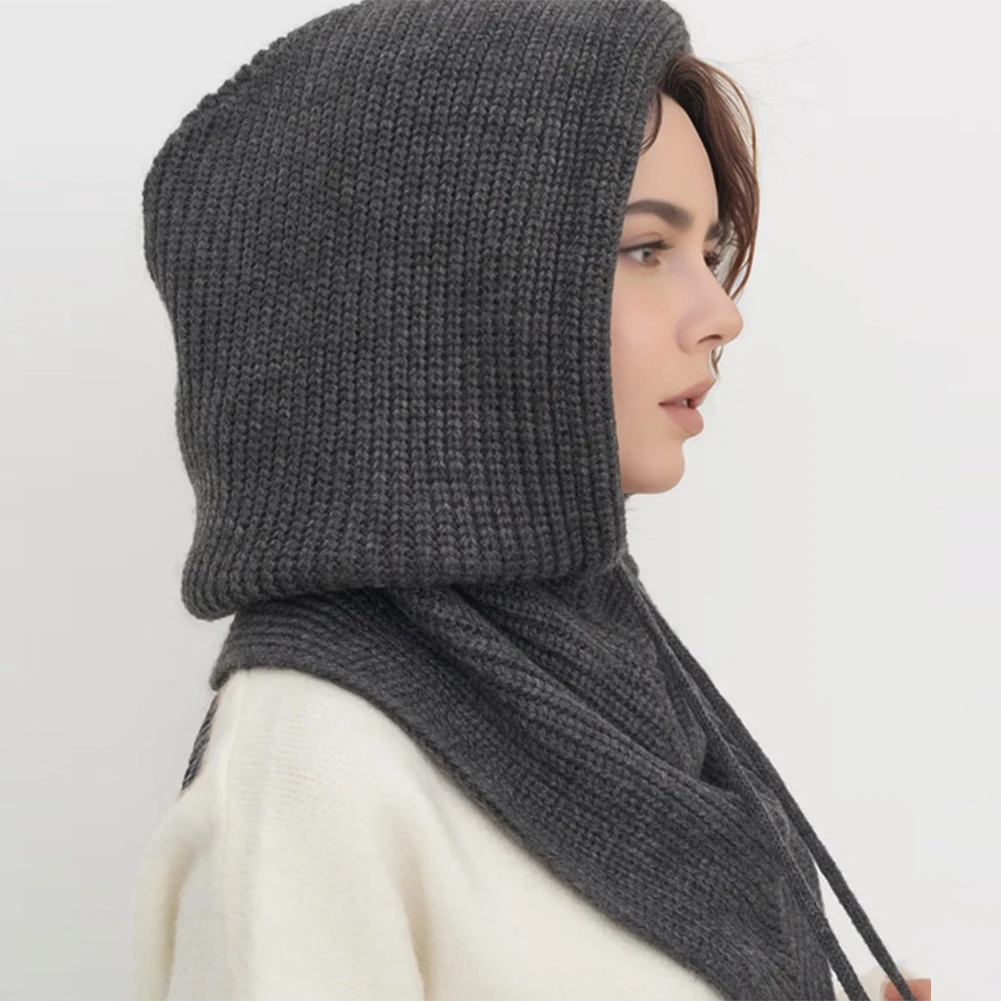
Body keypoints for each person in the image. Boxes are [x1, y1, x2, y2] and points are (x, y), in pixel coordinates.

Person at [132, 1, 925, 999]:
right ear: (438, 293)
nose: (720, 313)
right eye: (645, 248)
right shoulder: (311, 760)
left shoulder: (598, 663)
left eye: (708, 250)